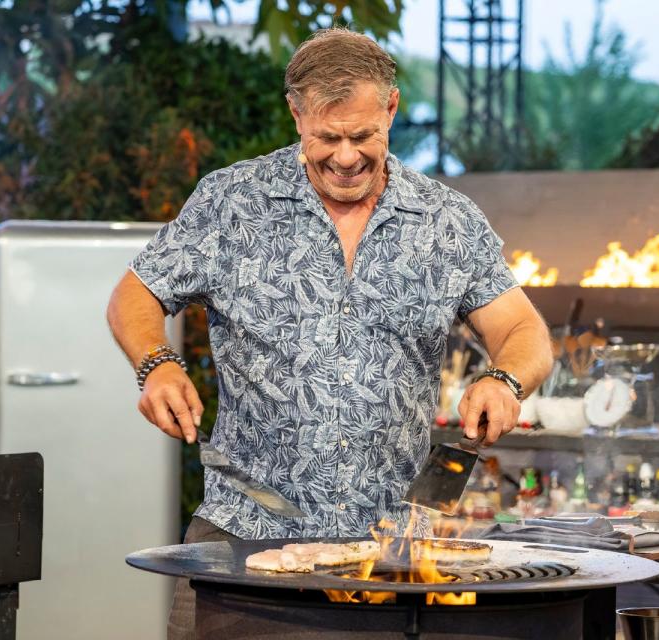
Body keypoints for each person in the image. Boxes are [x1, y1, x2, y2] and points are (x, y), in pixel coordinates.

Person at [106, 27, 552, 638]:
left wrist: (503, 380)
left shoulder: (446, 223)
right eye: (327, 138)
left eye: (363, 135)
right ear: (296, 115)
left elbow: (524, 330)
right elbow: (135, 294)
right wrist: (155, 362)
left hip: (390, 558)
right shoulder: (232, 204)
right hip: (246, 545)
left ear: (392, 109)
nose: (345, 157)